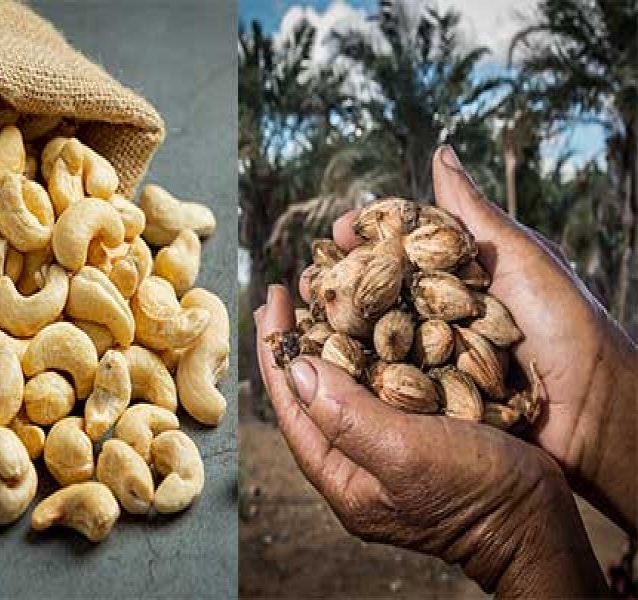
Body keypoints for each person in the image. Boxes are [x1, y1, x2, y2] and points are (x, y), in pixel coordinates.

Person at [254, 145, 637, 597]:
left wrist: (516, 537)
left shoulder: (424, 305)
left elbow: (424, 334)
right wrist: (602, 400)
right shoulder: (372, 305)